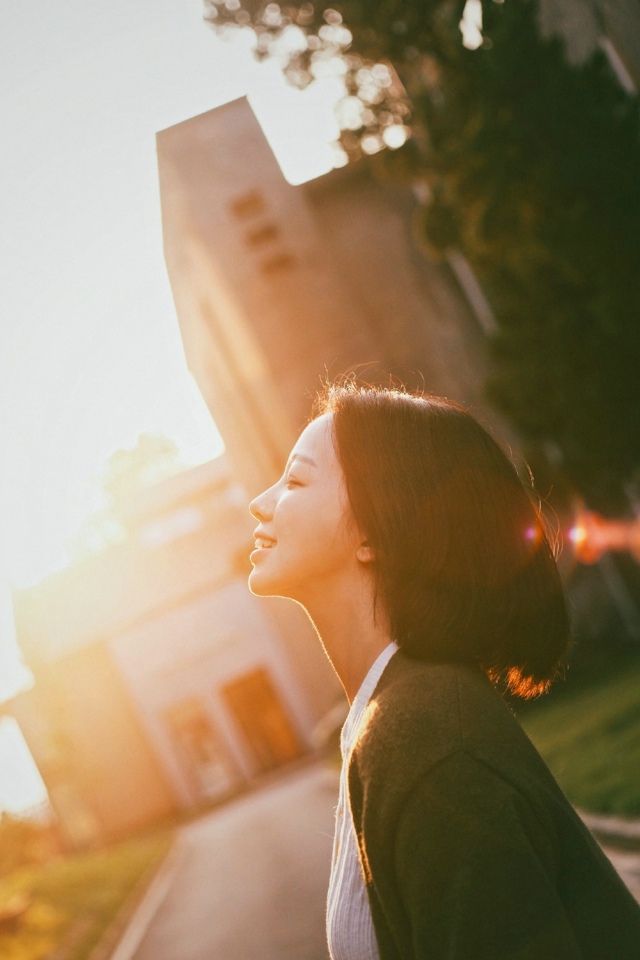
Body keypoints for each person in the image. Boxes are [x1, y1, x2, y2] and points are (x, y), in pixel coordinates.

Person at [248, 382, 640, 960]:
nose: (261, 501)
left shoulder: (429, 740)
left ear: (373, 533)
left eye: (297, 480)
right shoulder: (394, 720)